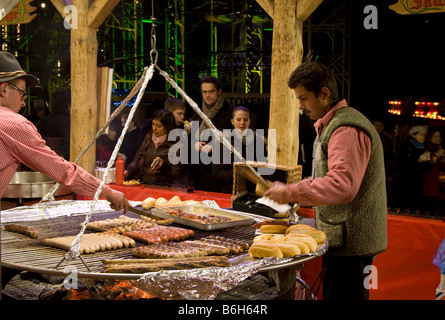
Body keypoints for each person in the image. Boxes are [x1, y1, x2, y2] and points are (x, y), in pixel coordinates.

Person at [263, 60, 387, 300]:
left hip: (352, 248)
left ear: (324, 94)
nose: (300, 106)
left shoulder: (346, 128)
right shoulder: (333, 124)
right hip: (343, 243)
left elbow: (342, 186)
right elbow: (328, 179)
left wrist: (290, 192)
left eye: (303, 98)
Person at [0, 51, 129, 212]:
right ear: (4, 89)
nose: (23, 103)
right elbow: (60, 169)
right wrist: (106, 191)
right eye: (22, 94)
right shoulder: (12, 124)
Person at [190, 75, 233, 191]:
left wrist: (216, 146)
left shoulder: (230, 112)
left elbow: (237, 138)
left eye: (211, 92)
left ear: (219, 92)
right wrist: (194, 144)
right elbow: (192, 138)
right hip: (199, 173)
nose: (207, 95)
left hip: (220, 174)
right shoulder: (198, 112)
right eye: (204, 92)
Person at [211, 106, 267, 194]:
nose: (242, 123)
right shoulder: (224, 141)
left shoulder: (258, 141)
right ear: (232, 121)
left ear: (249, 121)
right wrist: (240, 173)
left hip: (254, 193)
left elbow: (265, 169)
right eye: (238, 119)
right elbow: (217, 172)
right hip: (230, 192)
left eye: (245, 120)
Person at [125, 109, 182, 187]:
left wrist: (163, 165)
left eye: (159, 126)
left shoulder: (175, 143)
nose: (154, 128)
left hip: (164, 186)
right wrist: (128, 170)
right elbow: (137, 157)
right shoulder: (148, 138)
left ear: (168, 127)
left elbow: (176, 171)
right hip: (144, 183)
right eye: (153, 124)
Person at [391, 125, 431, 213]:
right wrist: (417, 161)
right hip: (406, 179)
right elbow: (402, 163)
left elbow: (426, 167)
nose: (422, 137)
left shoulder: (425, 148)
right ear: (414, 135)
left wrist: (427, 162)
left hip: (418, 179)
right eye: (420, 134)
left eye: (424, 135)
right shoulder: (406, 146)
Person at [36, 88, 71, 160]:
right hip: (69, 165)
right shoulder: (73, 124)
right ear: (69, 105)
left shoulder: (42, 123)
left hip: (45, 165)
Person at [423, 129, 445, 215]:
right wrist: (437, 155)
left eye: (439, 136)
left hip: (434, 181)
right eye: (435, 136)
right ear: (430, 138)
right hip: (428, 181)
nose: (438, 138)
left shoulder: (438, 149)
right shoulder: (428, 148)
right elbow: (428, 163)